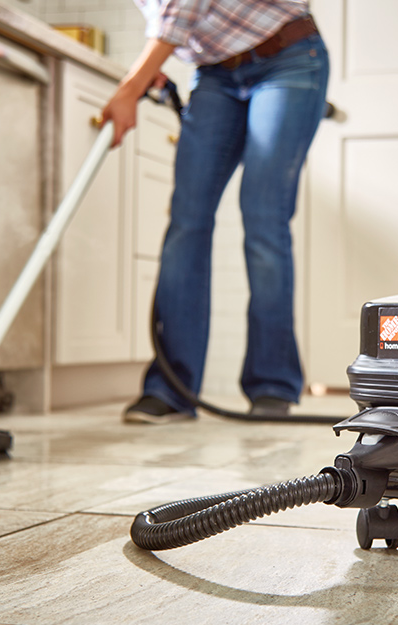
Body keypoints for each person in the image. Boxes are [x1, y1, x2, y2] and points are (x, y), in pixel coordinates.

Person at [100, 0, 329, 424]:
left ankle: (272, 386)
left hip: (289, 57)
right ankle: (172, 390)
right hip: (214, 74)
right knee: (187, 220)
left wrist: (130, 88)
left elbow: (181, 8)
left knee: (263, 217)